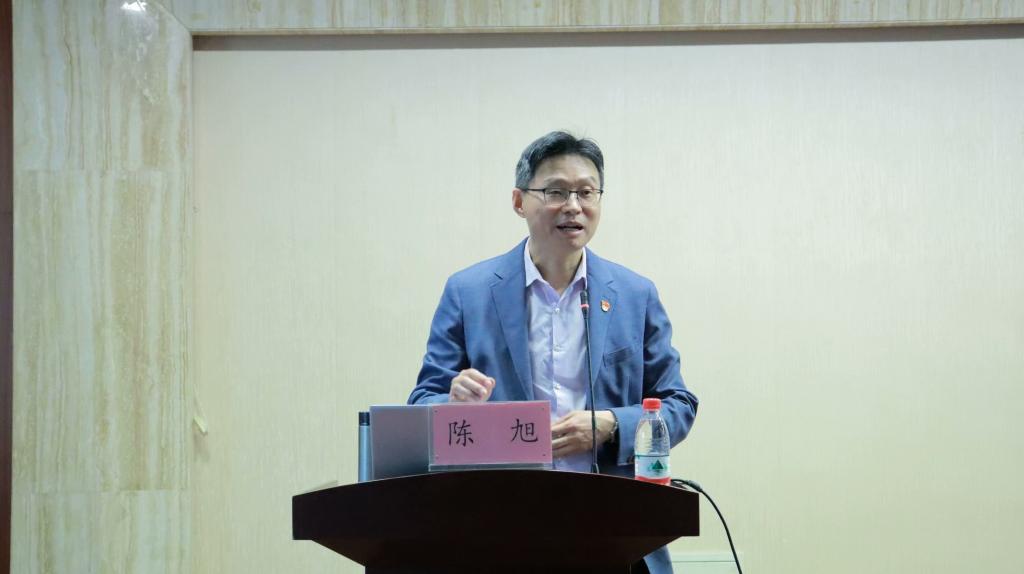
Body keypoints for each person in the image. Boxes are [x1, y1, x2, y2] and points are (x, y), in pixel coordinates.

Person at [408, 131, 698, 574]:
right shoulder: (468, 292)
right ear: (519, 201)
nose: (574, 206)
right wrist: (452, 402)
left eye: (586, 192)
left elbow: (678, 404)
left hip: (613, 531)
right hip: (497, 530)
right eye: (556, 191)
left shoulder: (635, 295)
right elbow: (421, 404)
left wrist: (610, 425)